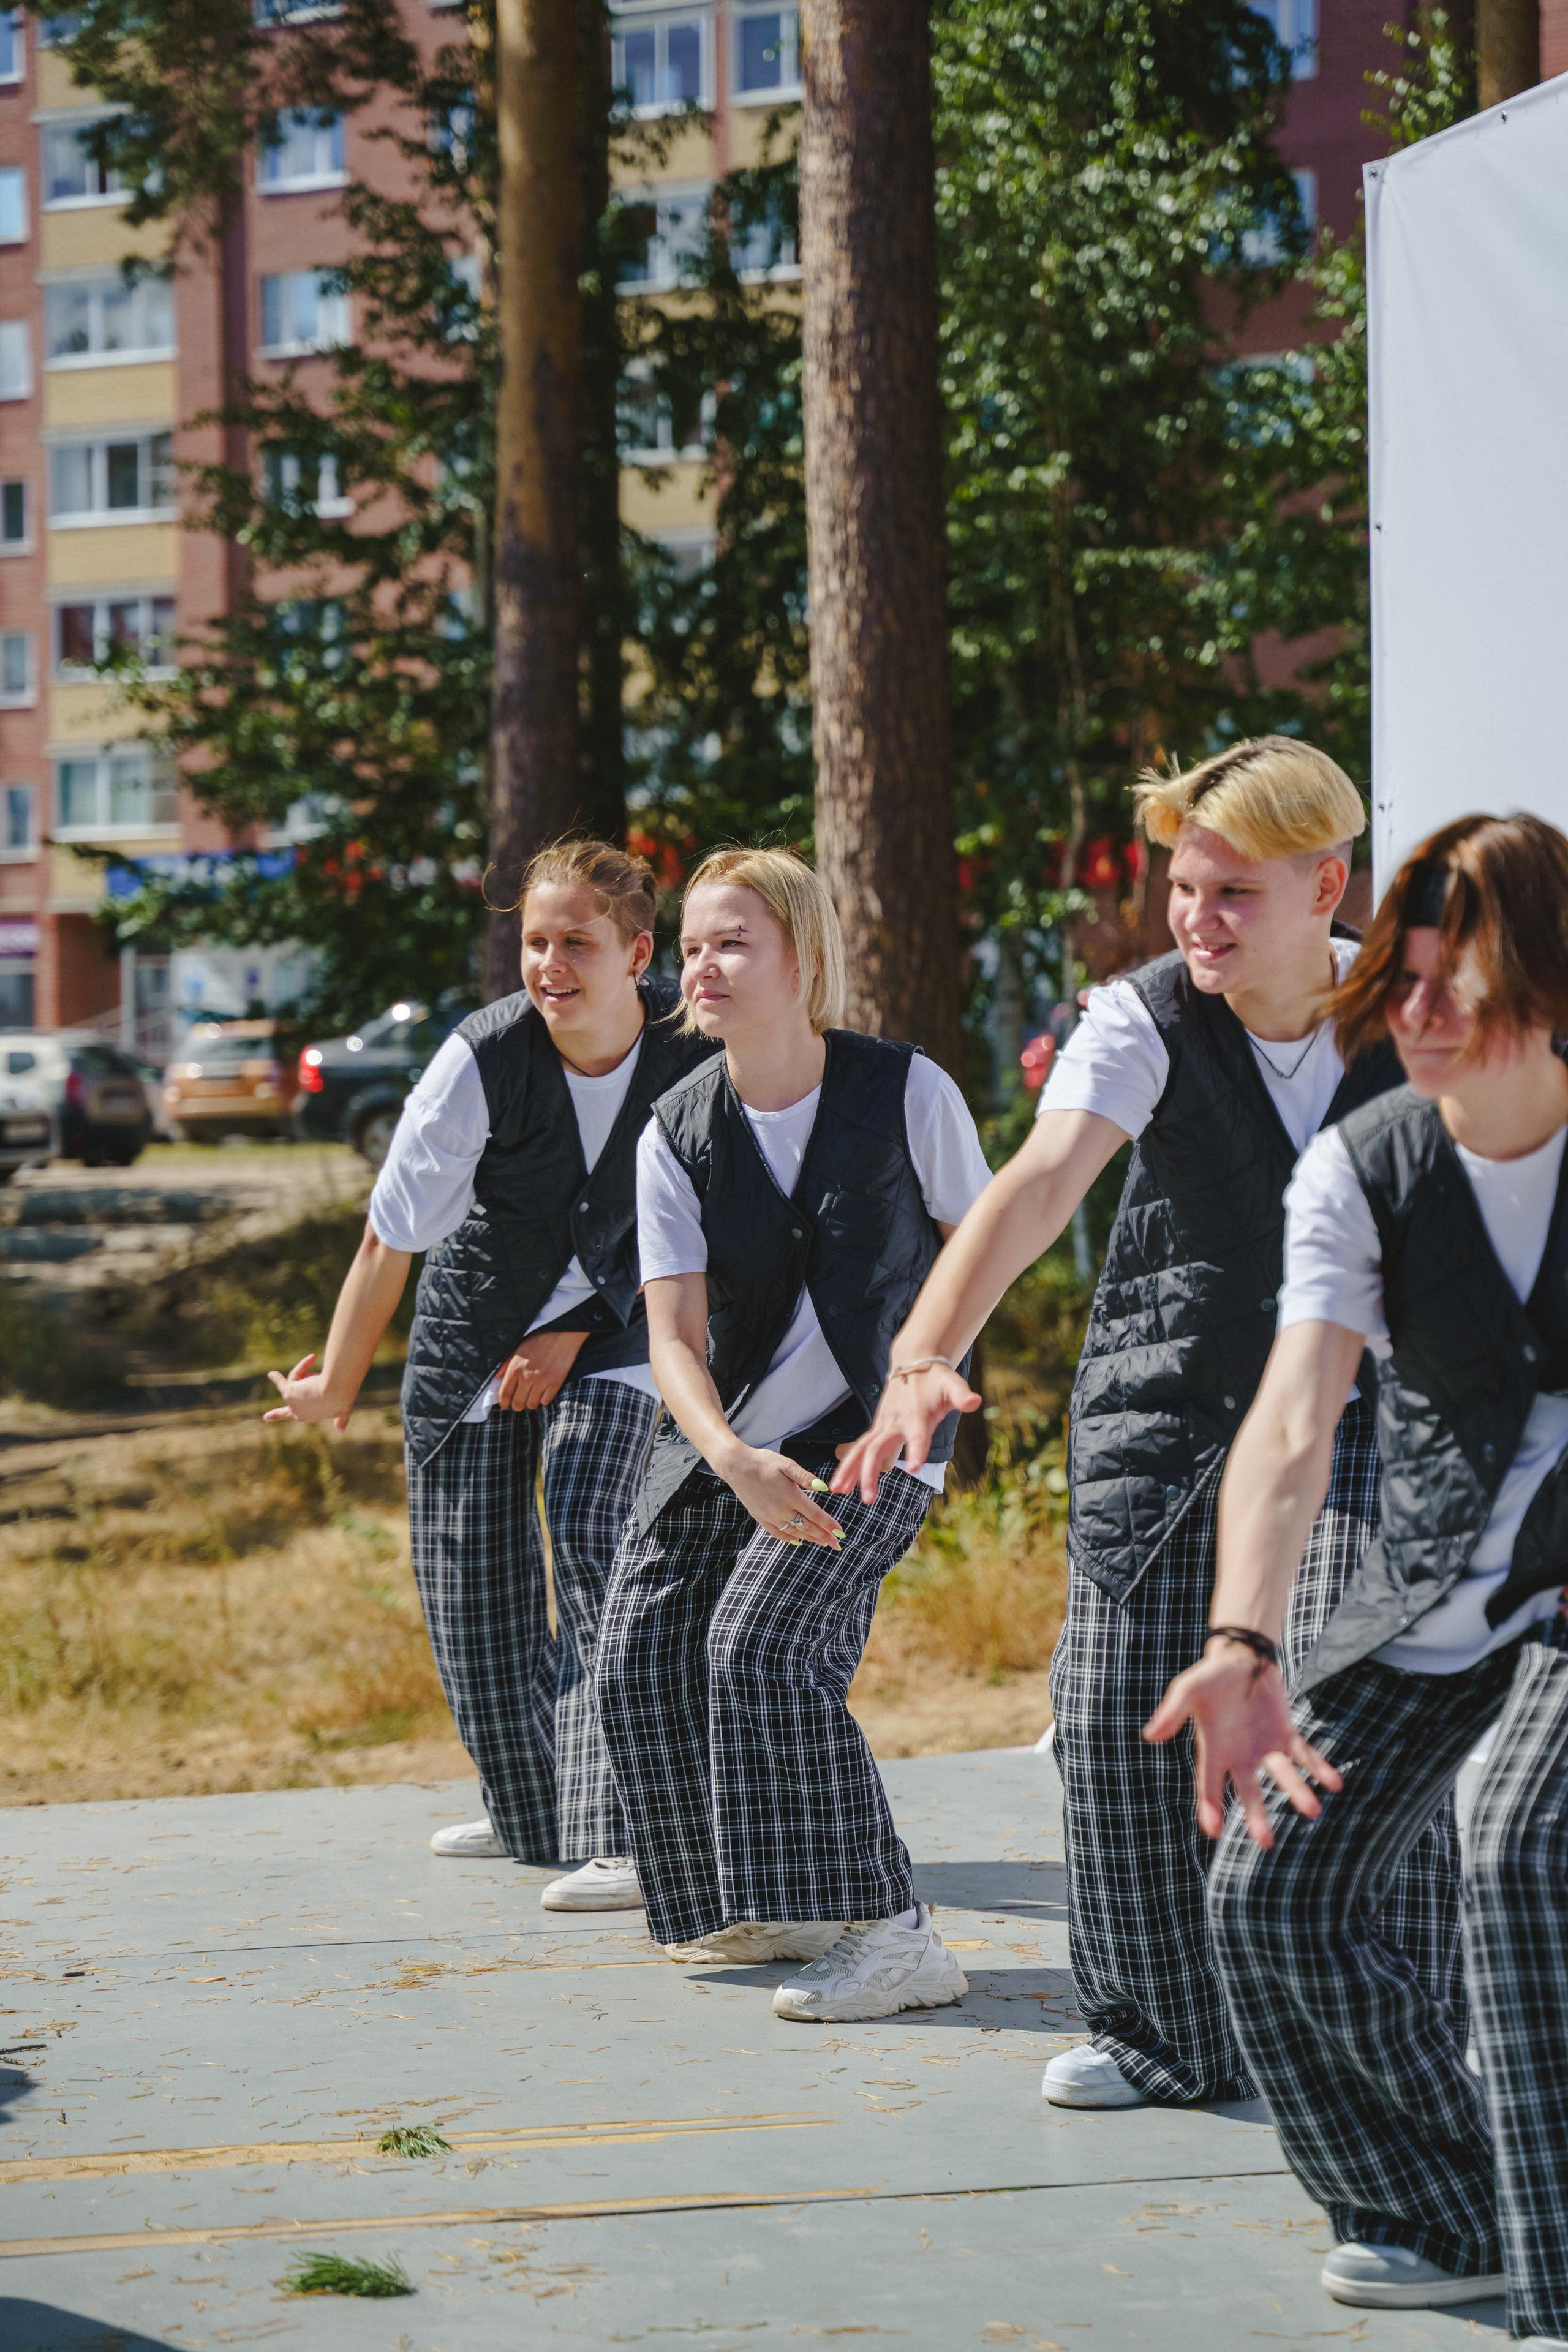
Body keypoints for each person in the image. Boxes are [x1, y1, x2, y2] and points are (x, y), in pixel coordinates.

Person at [835, 737, 1461, 2108]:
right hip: (1164, 1409)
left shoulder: (1415, 1018)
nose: (1194, 919)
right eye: (1181, 887)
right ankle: (1159, 2035)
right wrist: (922, 1351)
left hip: (1369, 1424)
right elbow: (1036, 1186)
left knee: (1352, 1720)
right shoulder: (1143, 1019)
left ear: (1325, 887)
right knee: (1117, 1708)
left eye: (1230, 893)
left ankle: (1393, 2042)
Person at [1148, 813, 1568, 2346]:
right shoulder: (1358, 1166)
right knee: (1270, 1885)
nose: (1418, 1017)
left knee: (1514, 1851)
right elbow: (1288, 1420)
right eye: (1400, 984)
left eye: (1459, 984)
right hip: (1427, 1594)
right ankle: (1435, 2205)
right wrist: (1241, 1640)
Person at [265, 839, 715, 1909]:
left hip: (623, 1332)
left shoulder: (695, 1058)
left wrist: (578, 1325)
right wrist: (336, 1383)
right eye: (534, 942)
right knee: (472, 1603)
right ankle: (539, 1814)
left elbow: (709, 1232)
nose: (550, 964)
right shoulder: (480, 1058)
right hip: (473, 1335)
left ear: (639, 953)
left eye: (577, 943)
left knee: (598, 1526)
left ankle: (625, 1828)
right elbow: (391, 1242)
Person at [593, 846, 993, 2022]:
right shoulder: (674, 1128)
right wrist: (727, 1456)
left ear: (803, 959)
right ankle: (768, 1905)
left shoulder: (908, 1090)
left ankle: (896, 1931)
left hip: (882, 1435)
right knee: (640, 1652)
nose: (702, 967)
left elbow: (984, 1249)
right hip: (728, 1443)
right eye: (693, 946)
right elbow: (673, 1335)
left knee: (762, 1646)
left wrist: (925, 1378)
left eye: (734, 943)